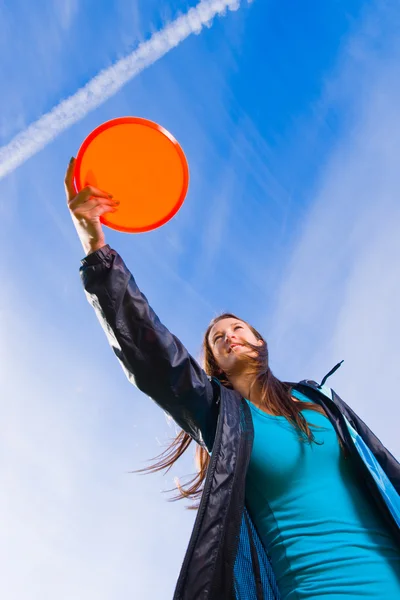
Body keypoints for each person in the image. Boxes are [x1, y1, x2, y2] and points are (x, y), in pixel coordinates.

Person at [65, 158, 400, 599]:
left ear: (259, 342)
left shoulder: (323, 404)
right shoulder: (223, 419)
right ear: (215, 365)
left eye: (237, 328)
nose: (228, 336)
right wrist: (95, 244)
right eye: (217, 338)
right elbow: (153, 355)